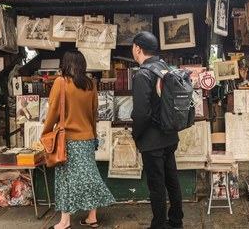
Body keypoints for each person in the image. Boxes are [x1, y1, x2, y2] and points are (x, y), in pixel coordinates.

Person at [42, 50, 115, 229]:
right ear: (82, 64)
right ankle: (92, 217)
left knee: (66, 179)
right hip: (87, 138)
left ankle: (65, 221)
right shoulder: (90, 85)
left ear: (65, 64)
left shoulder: (61, 82)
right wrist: (94, 135)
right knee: (90, 176)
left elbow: (53, 111)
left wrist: (45, 132)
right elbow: (93, 113)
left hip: (67, 140)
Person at [131, 31, 184, 229]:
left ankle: (159, 225)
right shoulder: (164, 68)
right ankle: (176, 221)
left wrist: (136, 135)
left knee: (157, 186)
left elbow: (142, 113)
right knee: (172, 181)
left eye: (133, 48)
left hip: (152, 141)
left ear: (138, 48)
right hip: (170, 135)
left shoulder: (143, 74)